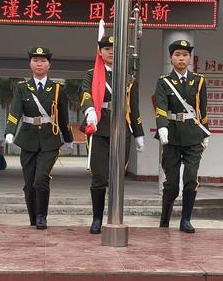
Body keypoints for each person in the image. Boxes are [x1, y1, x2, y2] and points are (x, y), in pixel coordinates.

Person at [80, 35, 145, 234]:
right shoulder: (92, 74)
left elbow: (133, 107)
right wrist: (90, 110)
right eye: (106, 48)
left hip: (122, 131)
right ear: (100, 52)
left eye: (114, 48)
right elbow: (85, 94)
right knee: (99, 176)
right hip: (99, 129)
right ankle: (97, 218)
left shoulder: (127, 77)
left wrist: (139, 133)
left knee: (117, 177)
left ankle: (114, 216)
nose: (110, 51)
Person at [5, 47, 73, 230]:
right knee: (29, 184)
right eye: (35, 60)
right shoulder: (22, 88)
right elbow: (15, 111)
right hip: (27, 139)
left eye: (43, 60)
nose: (39, 63)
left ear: (49, 64)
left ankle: (42, 216)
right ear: (30, 63)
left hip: (50, 139)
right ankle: (33, 218)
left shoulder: (58, 88)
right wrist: (9, 131)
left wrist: (68, 138)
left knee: (41, 179)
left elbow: (63, 116)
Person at [154, 39, 210, 233]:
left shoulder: (199, 80)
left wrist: (206, 132)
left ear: (189, 58)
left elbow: (202, 109)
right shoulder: (164, 81)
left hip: (194, 135)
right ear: (171, 58)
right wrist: (162, 127)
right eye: (177, 55)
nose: (181, 58)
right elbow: (161, 107)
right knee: (171, 183)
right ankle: (165, 219)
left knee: (191, 178)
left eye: (185, 55)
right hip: (171, 135)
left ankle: (186, 220)